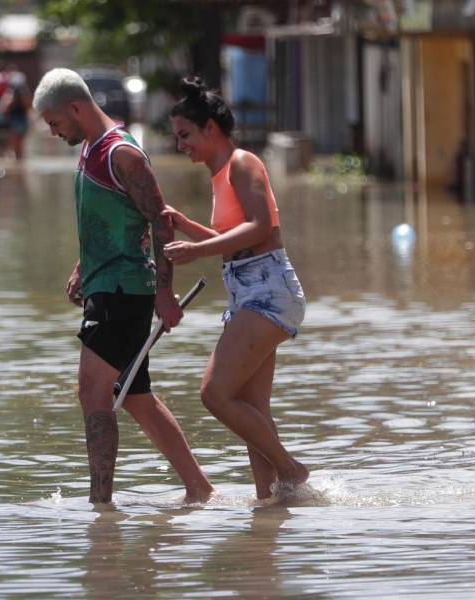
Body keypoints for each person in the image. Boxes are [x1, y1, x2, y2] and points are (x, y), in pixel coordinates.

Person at [32, 68, 215, 505]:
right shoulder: (90, 149)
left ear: (76, 108)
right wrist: (82, 267)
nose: (54, 133)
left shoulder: (123, 154)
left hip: (124, 291)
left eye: (55, 123)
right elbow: (115, 220)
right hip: (105, 285)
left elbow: (158, 220)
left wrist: (165, 294)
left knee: (91, 389)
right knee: (135, 396)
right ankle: (200, 488)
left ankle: (101, 505)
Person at [161, 76, 309, 501]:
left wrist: (197, 248)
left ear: (211, 128)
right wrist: (190, 227)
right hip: (248, 291)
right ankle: (270, 504)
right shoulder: (219, 175)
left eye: (186, 135)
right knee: (251, 410)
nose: (180, 145)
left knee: (214, 393)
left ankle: (290, 469)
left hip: (270, 289)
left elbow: (262, 226)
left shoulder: (243, 162)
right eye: (177, 137)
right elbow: (239, 236)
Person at [0, 68, 32, 162]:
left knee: (15, 148)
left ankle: (18, 166)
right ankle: (20, 165)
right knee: (20, 147)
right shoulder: (25, 92)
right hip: (23, 121)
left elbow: (5, 108)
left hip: (15, 121)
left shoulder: (11, 92)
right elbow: (29, 107)